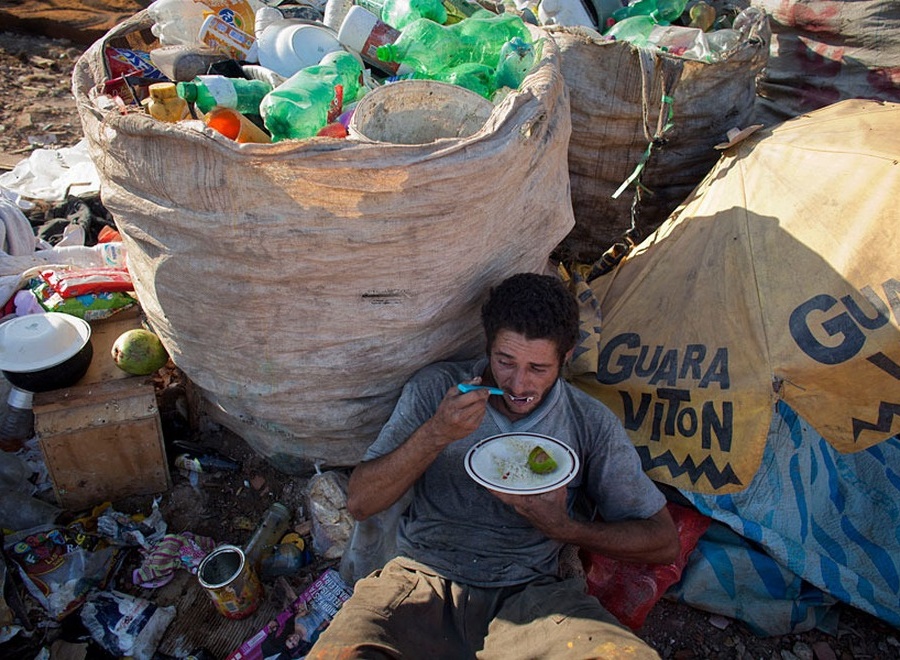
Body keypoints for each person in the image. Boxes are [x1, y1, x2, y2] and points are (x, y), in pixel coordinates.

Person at [308, 272, 680, 659]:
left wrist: (564, 527)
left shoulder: (588, 422)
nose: (518, 385)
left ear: (566, 357)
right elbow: (361, 503)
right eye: (505, 362)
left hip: (534, 597)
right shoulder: (438, 390)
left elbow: (663, 542)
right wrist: (436, 433)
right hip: (419, 582)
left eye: (538, 369)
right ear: (487, 346)